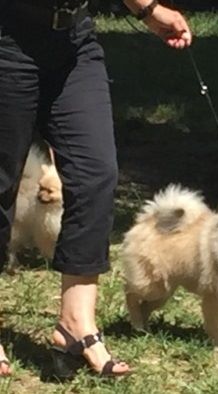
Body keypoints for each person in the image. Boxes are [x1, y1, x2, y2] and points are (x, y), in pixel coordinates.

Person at [0, 0, 191, 378]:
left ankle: (76, 324)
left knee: (96, 173)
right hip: (7, 35)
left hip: (73, 40)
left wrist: (148, 9)